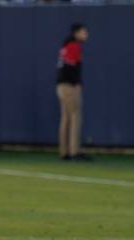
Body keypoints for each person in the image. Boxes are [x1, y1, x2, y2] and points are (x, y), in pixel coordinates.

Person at [56, 23, 89, 161]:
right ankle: (74, 151)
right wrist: (76, 83)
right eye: (84, 31)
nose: (86, 34)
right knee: (75, 117)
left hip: (61, 85)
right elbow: (71, 67)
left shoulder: (66, 45)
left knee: (66, 118)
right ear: (76, 33)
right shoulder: (74, 46)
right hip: (69, 86)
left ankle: (65, 151)